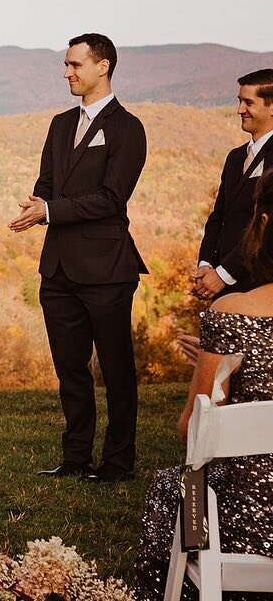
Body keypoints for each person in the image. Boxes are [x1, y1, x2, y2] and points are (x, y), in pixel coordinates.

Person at [9, 33, 147, 483]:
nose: (67, 73)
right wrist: (37, 205)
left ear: (102, 67)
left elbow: (111, 198)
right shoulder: (59, 124)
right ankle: (75, 458)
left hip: (107, 269)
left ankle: (119, 462)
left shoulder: (128, 128)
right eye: (66, 66)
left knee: (116, 369)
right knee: (70, 367)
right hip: (59, 267)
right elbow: (48, 181)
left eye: (75, 65)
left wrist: (50, 211)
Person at [132, 172, 273, 600]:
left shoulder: (232, 314)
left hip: (248, 525)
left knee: (170, 486)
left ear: (263, 225)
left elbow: (193, 432)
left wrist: (213, 370)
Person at [193, 69, 273, 301]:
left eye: (249, 102)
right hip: (224, 283)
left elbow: (266, 228)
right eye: (239, 101)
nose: (240, 110)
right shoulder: (235, 157)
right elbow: (219, 215)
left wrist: (224, 274)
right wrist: (207, 264)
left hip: (258, 284)